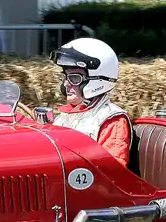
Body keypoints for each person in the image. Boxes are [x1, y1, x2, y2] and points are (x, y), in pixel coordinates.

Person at [49, 37, 132, 167]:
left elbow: (113, 171)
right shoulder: (65, 116)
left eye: (74, 78)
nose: (66, 84)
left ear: (96, 80)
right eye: (65, 77)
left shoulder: (111, 119)